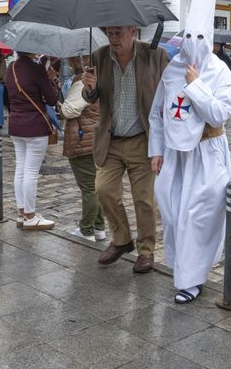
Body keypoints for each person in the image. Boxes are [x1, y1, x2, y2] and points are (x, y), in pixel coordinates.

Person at [149, 0, 231, 304]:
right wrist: (156, 151)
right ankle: (183, 272)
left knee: (199, 216)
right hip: (175, 156)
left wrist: (198, 86)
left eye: (201, 38)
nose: (194, 45)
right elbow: (158, 113)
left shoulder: (220, 72)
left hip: (208, 153)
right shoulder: (170, 69)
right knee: (172, 213)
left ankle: (190, 279)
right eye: (189, 38)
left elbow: (220, 113)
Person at [83, 25, 168, 274]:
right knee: (103, 189)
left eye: (119, 33)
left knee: (144, 199)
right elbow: (93, 97)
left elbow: (170, 92)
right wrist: (89, 88)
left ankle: (146, 251)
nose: (113, 38)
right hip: (111, 140)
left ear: (133, 31)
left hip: (142, 139)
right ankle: (121, 240)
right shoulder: (99, 56)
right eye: (110, 33)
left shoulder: (155, 55)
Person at [6, 51, 59, 230]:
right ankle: (30, 216)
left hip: (15, 124)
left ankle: (22, 213)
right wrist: (50, 78)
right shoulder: (36, 69)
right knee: (30, 171)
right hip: (34, 126)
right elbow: (51, 99)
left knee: (20, 168)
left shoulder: (10, 68)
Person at [60, 55, 105, 242]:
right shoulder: (99, 78)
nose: (69, 63)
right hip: (94, 138)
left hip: (83, 140)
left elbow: (70, 110)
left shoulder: (82, 82)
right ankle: (99, 227)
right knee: (95, 186)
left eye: (71, 60)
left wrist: (59, 106)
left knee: (88, 187)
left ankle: (86, 230)